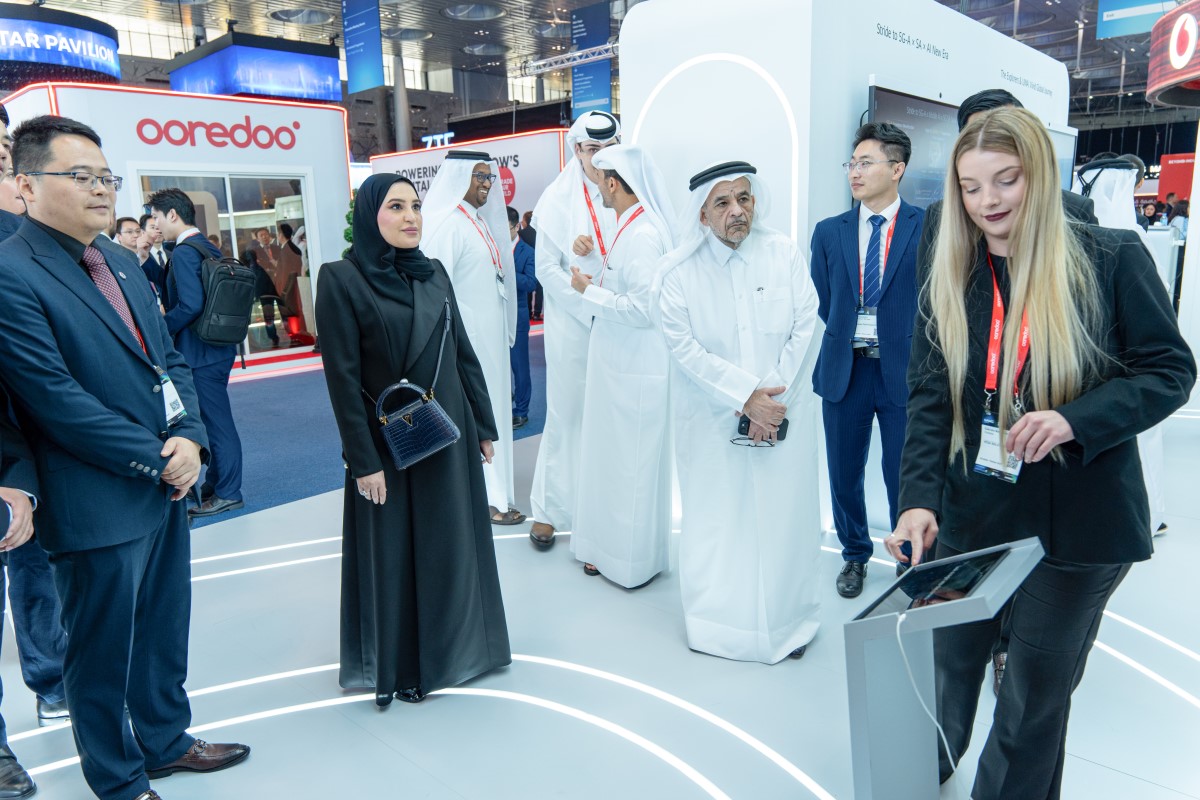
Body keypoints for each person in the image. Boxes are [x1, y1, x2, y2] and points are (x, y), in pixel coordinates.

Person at [888, 107, 1195, 800]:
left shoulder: (1112, 256)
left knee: (1030, 699)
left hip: (1079, 527)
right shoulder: (955, 268)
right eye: (971, 187)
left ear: (1040, 174)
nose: (988, 202)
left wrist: (1073, 420)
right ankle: (924, 771)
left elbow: (1169, 371)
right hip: (972, 513)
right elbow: (931, 396)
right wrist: (917, 501)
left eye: (1006, 180)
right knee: (949, 662)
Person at [0, 114, 249, 800]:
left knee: (164, 628)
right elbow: (54, 399)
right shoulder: (11, 273)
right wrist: (157, 457)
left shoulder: (116, 259)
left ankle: (166, 741)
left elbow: (167, 360)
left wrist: (190, 438)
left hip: (166, 481)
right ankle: (117, 779)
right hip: (94, 493)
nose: (101, 189)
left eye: (106, 177)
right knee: (101, 650)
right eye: (80, 176)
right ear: (27, 184)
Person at [315, 173, 511, 708]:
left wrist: (484, 424)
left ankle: (455, 652)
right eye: (396, 206)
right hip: (389, 443)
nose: (410, 217)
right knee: (396, 553)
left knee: (451, 544)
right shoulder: (341, 278)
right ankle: (404, 664)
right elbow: (342, 380)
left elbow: (462, 351)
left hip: (447, 430)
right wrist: (362, 461)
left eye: (416, 206)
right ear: (370, 215)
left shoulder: (434, 272)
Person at [658, 160, 823, 663]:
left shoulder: (782, 253)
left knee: (783, 520)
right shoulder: (677, 274)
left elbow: (806, 323)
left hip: (782, 414)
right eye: (723, 202)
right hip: (712, 421)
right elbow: (684, 349)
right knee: (720, 521)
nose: (737, 211)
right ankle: (719, 627)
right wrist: (745, 396)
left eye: (744, 199)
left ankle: (789, 623)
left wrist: (769, 401)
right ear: (702, 214)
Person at [811, 122, 924, 598]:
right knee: (843, 473)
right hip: (847, 370)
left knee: (903, 474)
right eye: (851, 163)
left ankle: (908, 557)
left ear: (897, 169)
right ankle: (854, 554)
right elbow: (825, 298)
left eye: (866, 163)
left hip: (904, 371)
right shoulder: (829, 232)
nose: (854, 172)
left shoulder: (927, 226)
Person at [568, 144, 675, 586]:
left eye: (600, 181)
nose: (598, 189)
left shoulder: (643, 234)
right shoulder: (630, 228)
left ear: (613, 183)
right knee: (615, 464)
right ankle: (608, 551)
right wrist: (595, 273)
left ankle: (628, 562)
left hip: (634, 371)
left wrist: (587, 291)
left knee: (630, 468)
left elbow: (643, 309)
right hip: (620, 368)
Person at [527, 111, 621, 546]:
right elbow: (546, 268)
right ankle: (550, 509)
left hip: (620, 320)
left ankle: (604, 509)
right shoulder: (556, 198)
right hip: (574, 322)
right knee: (566, 413)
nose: (599, 157)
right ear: (576, 149)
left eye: (608, 148)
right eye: (592, 149)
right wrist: (588, 304)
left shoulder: (628, 189)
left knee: (612, 415)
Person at [422, 151, 523, 526]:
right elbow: (435, 292)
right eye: (478, 176)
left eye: (488, 177)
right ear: (458, 178)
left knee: (494, 411)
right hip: (468, 344)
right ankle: (485, 500)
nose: (485, 184)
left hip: (488, 342)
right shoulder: (448, 225)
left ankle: (497, 493)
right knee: (478, 415)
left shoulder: (476, 222)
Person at [917, 89, 1098, 279]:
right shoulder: (941, 216)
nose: (988, 200)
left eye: (1005, 133)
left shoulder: (1076, 210)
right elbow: (929, 287)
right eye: (972, 189)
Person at [149, 188, 245, 519]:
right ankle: (217, 485)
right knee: (213, 420)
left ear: (172, 214)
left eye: (157, 218)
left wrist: (161, 328)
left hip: (200, 353)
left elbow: (190, 305)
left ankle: (228, 492)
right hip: (215, 348)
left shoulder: (185, 252)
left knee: (216, 424)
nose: (156, 225)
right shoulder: (204, 246)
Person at [508, 205, 535, 429]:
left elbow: (531, 283)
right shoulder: (493, 248)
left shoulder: (528, 251)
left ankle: (521, 411)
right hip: (496, 314)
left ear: (517, 227)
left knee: (520, 366)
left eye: (506, 228)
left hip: (518, 315)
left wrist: (509, 273)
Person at [137, 212, 168, 297]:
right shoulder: (139, 257)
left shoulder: (173, 254)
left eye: (160, 226)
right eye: (153, 227)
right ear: (143, 232)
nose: (158, 230)